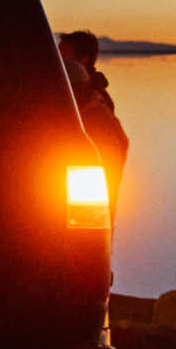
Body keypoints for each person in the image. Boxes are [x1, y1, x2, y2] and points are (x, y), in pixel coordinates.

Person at [58, 29, 128, 219]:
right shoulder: (66, 94)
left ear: (84, 59)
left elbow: (111, 155)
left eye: (64, 54)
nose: (58, 59)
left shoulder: (93, 103)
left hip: (85, 211)